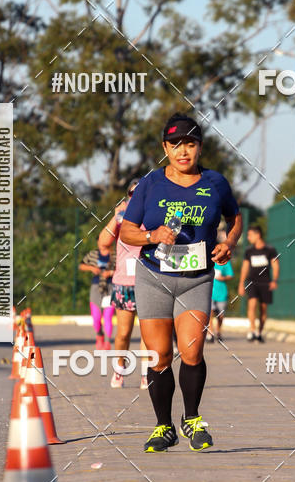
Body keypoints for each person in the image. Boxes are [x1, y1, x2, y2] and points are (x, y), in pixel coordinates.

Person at [119, 112, 242, 452]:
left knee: (191, 350)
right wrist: (152, 234)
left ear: (199, 147)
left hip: (196, 278)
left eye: (190, 144)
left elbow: (235, 218)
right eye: (175, 145)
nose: (183, 151)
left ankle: (192, 419)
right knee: (158, 355)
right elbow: (126, 230)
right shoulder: (150, 184)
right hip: (154, 276)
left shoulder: (216, 183)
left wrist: (229, 244)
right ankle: (163, 427)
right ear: (165, 148)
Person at [98, 178, 149, 390]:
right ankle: (120, 369)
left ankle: (147, 374)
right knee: (123, 333)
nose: (136, 197)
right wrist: (115, 219)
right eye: (132, 194)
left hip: (149, 282)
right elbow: (102, 243)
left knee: (149, 334)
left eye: (141, 194)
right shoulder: (122, 220)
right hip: (124, 284)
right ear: (127, 196)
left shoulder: (153, 217)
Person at [238, 225, 279, 342]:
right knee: (252, 304)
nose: (248, 237)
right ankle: (252, 330)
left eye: (250, 235)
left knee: (263, 309)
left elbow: (275, 265)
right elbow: (245, 267)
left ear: (258, 235)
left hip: (265, 283)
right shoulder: (249, 251)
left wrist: (274, 280)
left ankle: (259, 332)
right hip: (252, 282)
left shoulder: (270, 250)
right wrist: (241, 283)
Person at [78, 246, 114, 350]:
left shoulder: (114, 255)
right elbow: (81, 266)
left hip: (110, 287)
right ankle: (99, 334)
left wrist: (111, 273)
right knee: (96, 317)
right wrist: (91, 268)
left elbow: (122, 269)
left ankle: (107, 342)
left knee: (108, 317)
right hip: (96, 287)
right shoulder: (93, 254)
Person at [207, 231, 234, 343]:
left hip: (221, 292)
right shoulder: (209, 261)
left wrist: (222, 278)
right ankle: (210, 332)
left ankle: (218, 331)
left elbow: (230, 275)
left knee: (220, 315)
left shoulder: (224, 261)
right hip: (210, 291)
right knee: (210, 312)